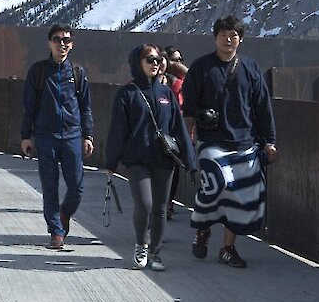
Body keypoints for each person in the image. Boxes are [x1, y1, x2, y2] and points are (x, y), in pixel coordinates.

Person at [182, 16, 277, 267]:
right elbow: (189, 108)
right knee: (214, 185)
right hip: (211, 141)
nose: (228, 39)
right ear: (215, 37)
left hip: (244, 143)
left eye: (233, 34)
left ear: (241, 39)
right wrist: (186, 140)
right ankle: (203, 227)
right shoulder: (201, 68)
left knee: (238, 196)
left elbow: (263, 108)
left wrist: (270, 142)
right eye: (223, 34)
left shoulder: (251, 69)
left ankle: (227, 247)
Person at [103, 45, 195, 270]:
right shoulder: (128, 94)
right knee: (144, 204)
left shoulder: (166, 95)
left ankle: (155, 252)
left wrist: (190, 161)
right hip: (137, 159)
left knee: (161, 209)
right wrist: (111, 162)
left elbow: (178, 128)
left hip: (164, 159)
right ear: (138, 62)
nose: (155, 63)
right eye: (149, 59)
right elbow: (118, 130)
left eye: (158, 59)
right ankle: (140, 244)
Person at [19, 25, 93, 250]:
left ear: (72, 44)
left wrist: (88, 134)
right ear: (49, 43)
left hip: (72, 135)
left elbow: (85, 106)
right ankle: (56, 232)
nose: (62, 44)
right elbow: (29, 106)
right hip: (46, 136)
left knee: (77, 186)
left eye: (66, 40)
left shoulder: (78, 73)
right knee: (50, 186)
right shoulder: (39, 71)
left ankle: (64, 214)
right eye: (57, 39)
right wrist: (26, 136)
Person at [162, 49, 190, 222]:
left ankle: (167, 202)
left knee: (174, 169)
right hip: (156, 134)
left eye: (180, 59)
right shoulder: (156, 81)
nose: (176, 63)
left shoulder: (179, 83)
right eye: (173, 60)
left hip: (175, 134)